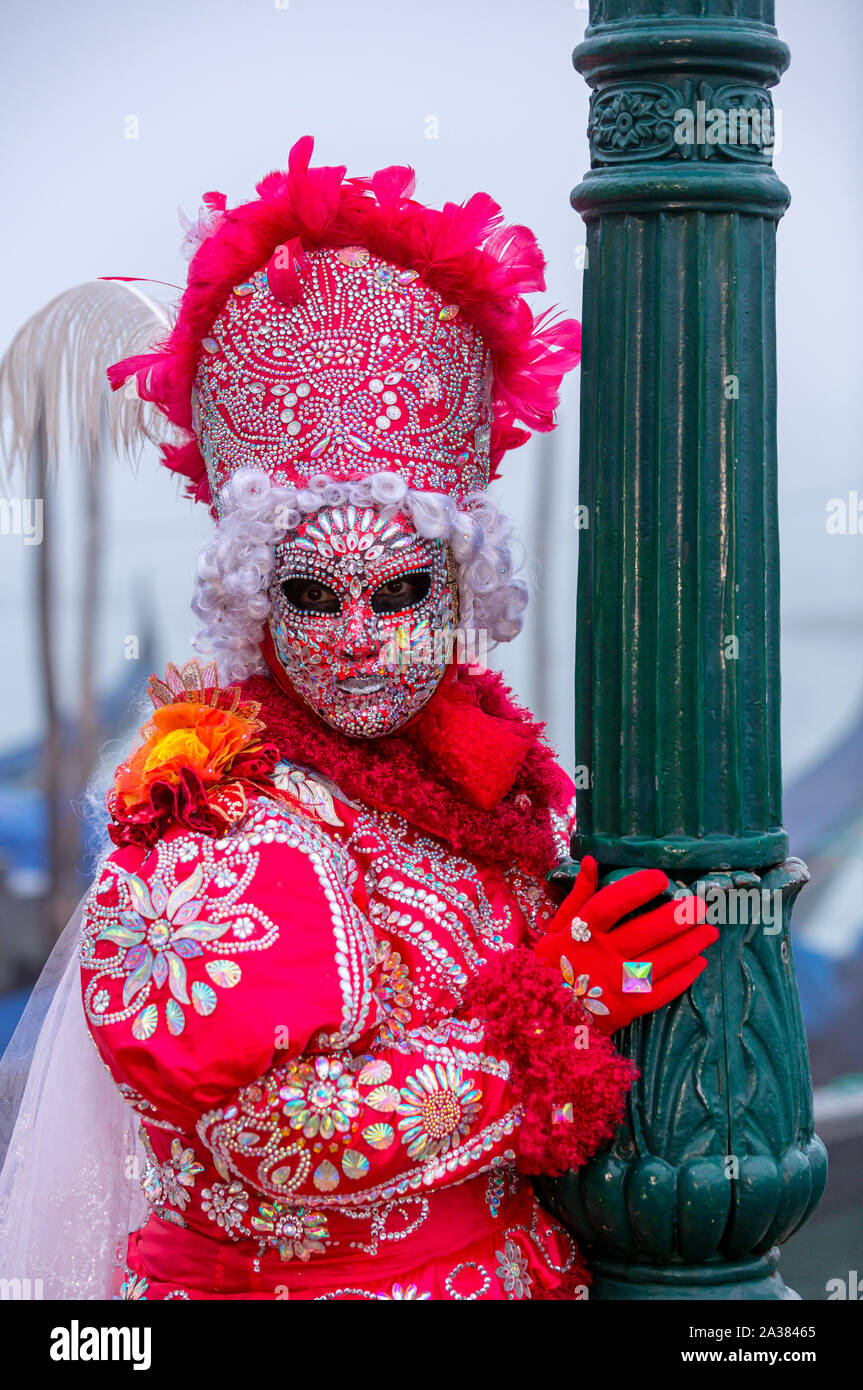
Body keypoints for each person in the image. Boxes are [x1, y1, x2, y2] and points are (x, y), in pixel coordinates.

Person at [2, 137, 716, 1301]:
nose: (356, 636)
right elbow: (264, 1138)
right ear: (252, 601)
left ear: (461, 590)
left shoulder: (475, 786)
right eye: (310, 595)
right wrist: (560, 1000)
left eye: (399, 593)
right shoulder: (221, 819)